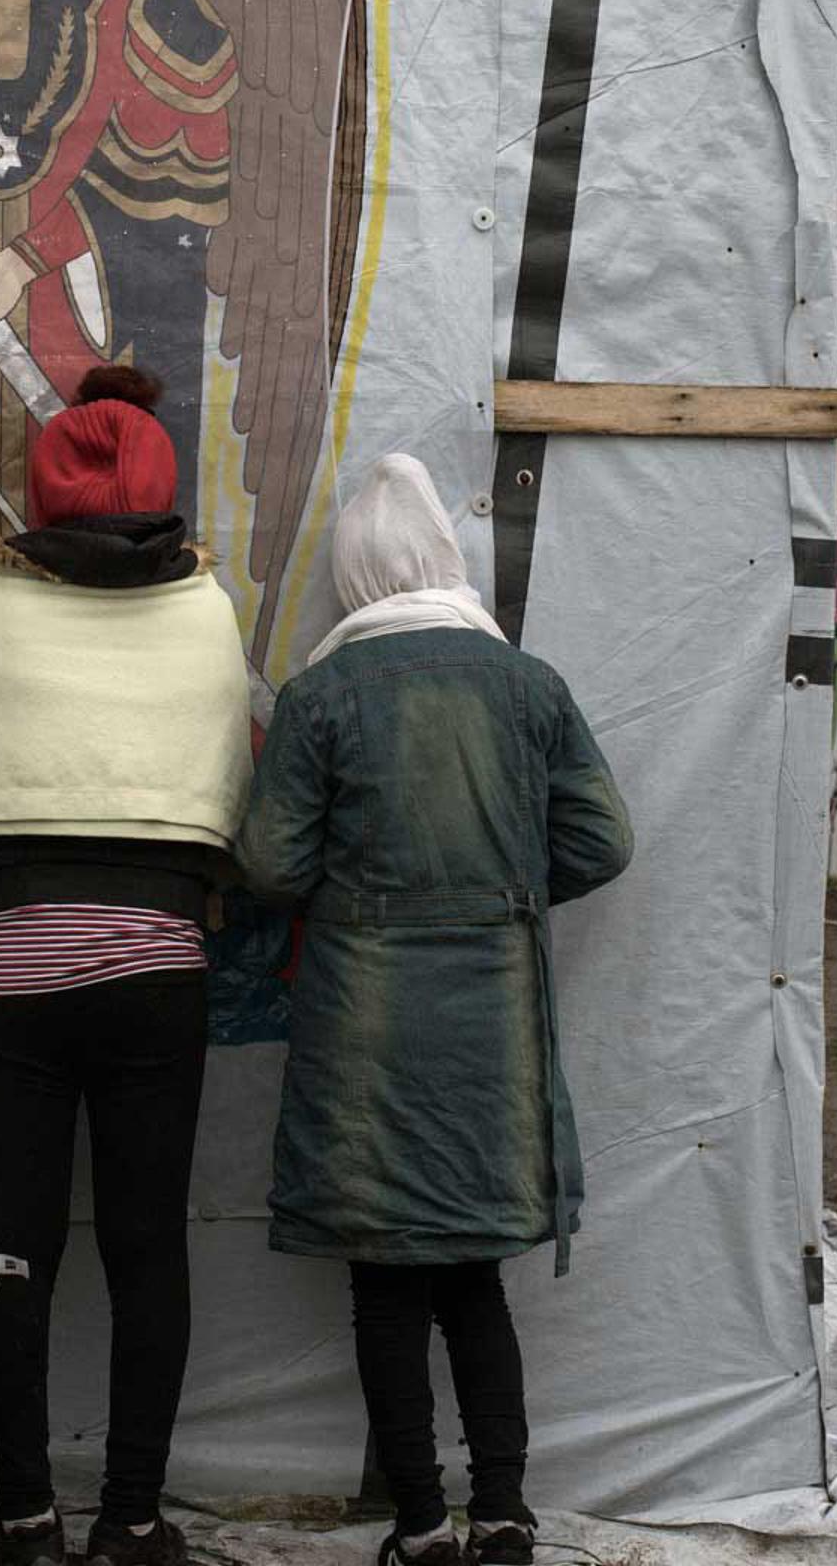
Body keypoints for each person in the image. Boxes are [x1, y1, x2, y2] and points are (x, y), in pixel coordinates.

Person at [0, 364, 257, 1566]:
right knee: (149, 1249)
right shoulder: (203, 609)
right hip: (152, 964)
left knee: (14, 1243)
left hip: (17, 969)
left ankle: (26, 1517)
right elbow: (230, 803)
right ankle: (133, 1521)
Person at [239, 455, 634, 1566]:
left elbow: (270, 865)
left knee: (386, 1284)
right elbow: (604, 842)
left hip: (364, 1020)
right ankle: (505, 1513)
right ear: (445, 561)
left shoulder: (322, 696)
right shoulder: (528, 686)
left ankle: (419, 1527)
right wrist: (497, 896)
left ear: (354, 577)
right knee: (473, 1277)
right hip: (494, 1020)